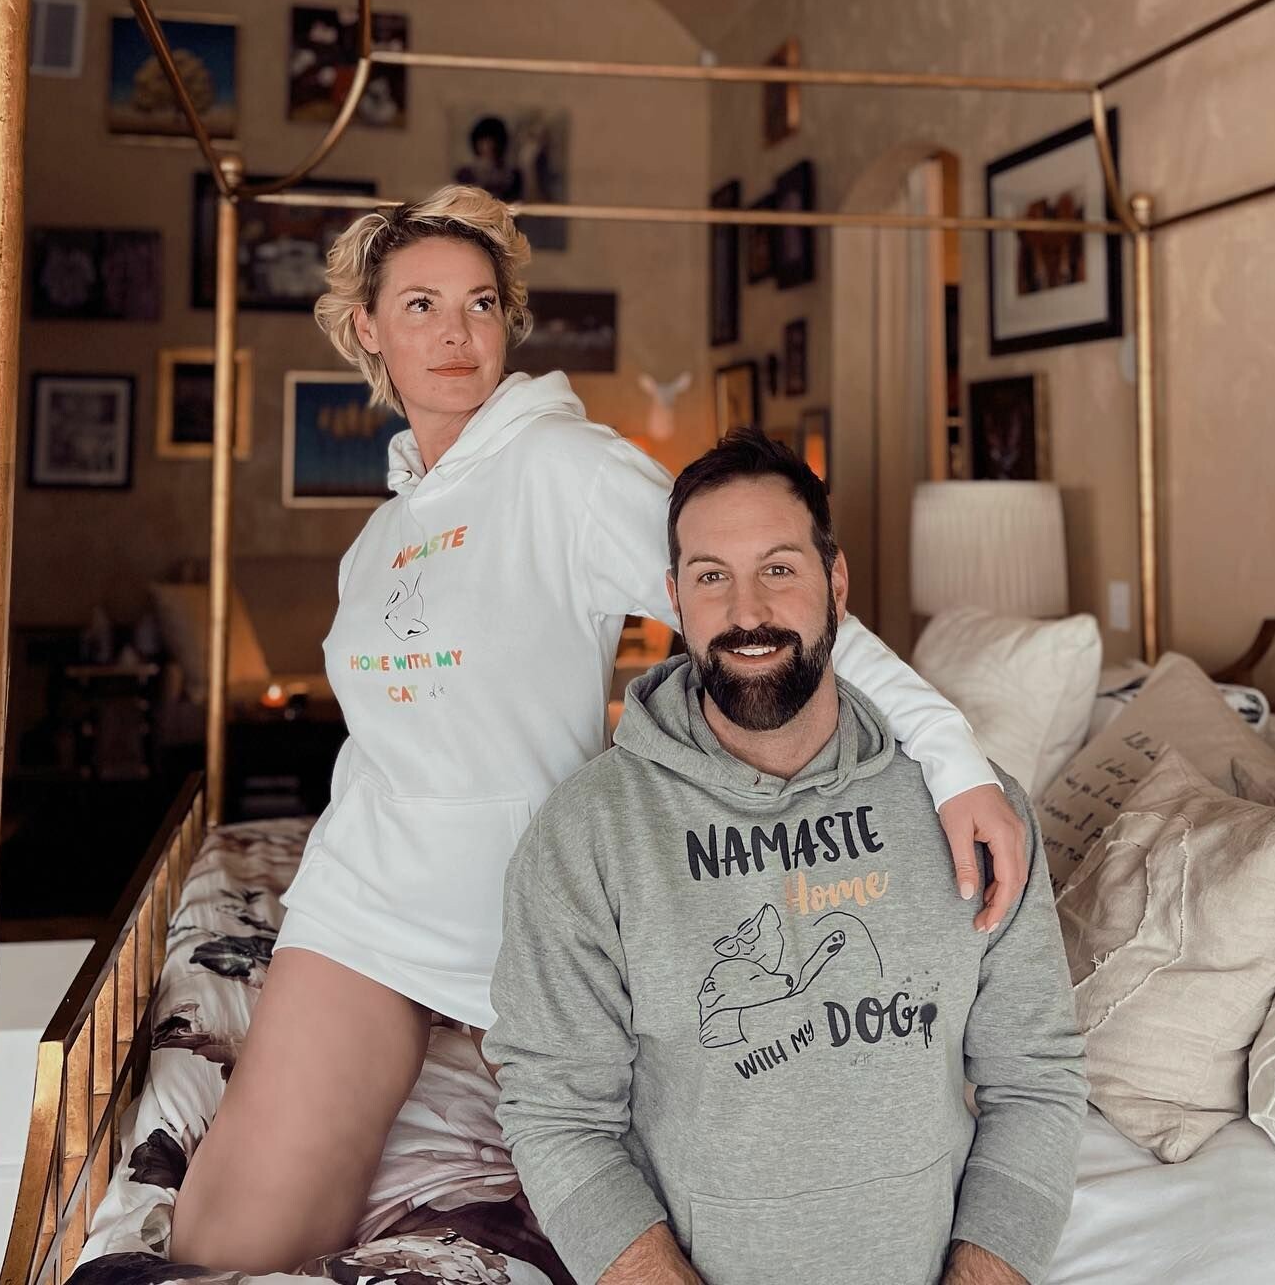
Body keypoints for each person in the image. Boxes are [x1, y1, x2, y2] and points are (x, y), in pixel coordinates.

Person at [170, 186, 1027, 1272]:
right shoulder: (382, 533)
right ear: (368, 329)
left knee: (667, 1217)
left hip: (540, 924)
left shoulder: (568, 470)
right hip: (366, 906)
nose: (456, 332)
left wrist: (951, 757)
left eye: (482, 304)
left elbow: (769, 602)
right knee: (220, 1246)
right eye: (422, 304)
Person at [486, 430, 1086, 1285]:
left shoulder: (978, 819)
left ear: (836, 584)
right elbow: (557, 1117)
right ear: (673, 599)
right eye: (711, 577)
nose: (747, 612)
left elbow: (1036, 1080)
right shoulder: (587, 834)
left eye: (778, 568)